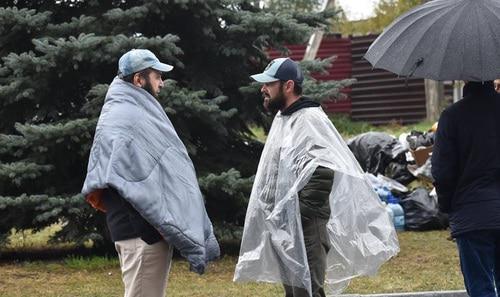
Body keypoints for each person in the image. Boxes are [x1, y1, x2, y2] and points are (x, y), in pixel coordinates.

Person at [234, 58, 399, 296]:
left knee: (308, 290)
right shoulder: (286, 118)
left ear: (288, 86)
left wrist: (298, 214)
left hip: (306, 226)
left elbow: (322, 170)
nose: (263, 89)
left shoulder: (309, 120)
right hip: (285, 223)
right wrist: (275, 213)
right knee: (293, 290)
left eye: (269, 84)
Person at [82, 49, 219, 297]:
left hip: (143, 232)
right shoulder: (127, 116)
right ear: (138, 79)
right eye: (156, 76)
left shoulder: (130, 110)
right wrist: (150, 232)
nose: (161, 82)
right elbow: (123, 180)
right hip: (141, 235)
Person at [432, 81, 500, 297]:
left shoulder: (452, 116)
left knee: (480, 286)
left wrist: (447, 207)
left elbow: (443, 171)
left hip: (472, 215)